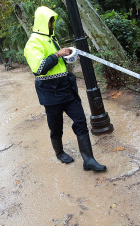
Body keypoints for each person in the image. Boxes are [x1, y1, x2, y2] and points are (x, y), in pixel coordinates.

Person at [24, 6, 106, 172]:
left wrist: (69, 55)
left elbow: (59, 64)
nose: (52, 24)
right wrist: (57, 54)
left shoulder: (50, 39)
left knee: (81, 121)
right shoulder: (33, 42)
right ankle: (59, 152)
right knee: (56, 126)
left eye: (52, 21)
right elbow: (39, 68)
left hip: (67, 89)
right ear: (42, 22)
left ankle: (88, 160)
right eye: (50, 21)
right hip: (50, 93)